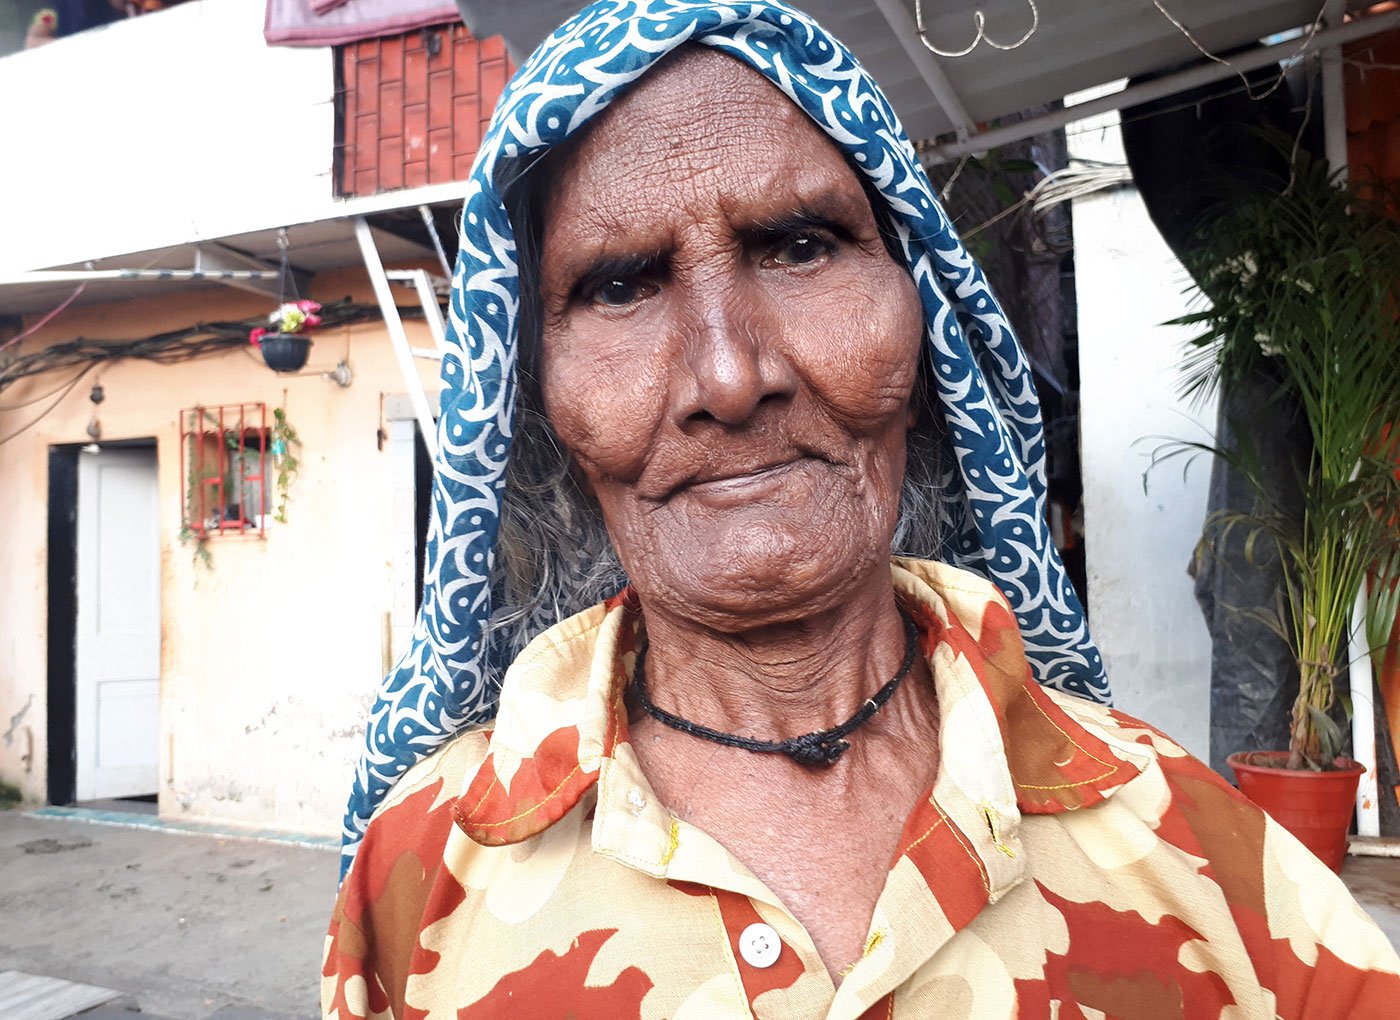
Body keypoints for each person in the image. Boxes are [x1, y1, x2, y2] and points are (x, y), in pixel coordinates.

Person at [323, 2, 1400, 1017]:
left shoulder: (1200, 864)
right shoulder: (420, 880)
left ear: (924, 323)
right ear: (537, 399)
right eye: (618, 285)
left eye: (797, 245)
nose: (730, 376)